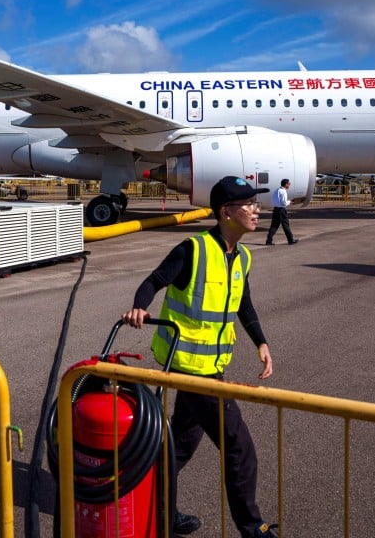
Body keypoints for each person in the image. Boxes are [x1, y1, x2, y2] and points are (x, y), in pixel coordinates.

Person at [122, 175, 279, 538]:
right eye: (249, 205)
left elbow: (244, 302)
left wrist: (261, 342)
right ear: (226, 212)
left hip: (211, 367)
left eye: (256, 204)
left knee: (179, 448)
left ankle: (158, 514)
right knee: (239, 448)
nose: (257, 210)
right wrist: (138, 308)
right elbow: (152, 281)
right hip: (190, 369)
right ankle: (253, 528)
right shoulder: (193, 249)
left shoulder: (241, 256)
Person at [265, 178, 297, 245]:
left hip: (275, 210)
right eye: (289, 183)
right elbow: (284, 203)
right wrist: (290, 202)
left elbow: (274, 200)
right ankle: (290, 240)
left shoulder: (277, 190)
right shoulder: (283, 191)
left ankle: (269, 241)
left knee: (274, 226)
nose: (289, 185)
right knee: (286, 225)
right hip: (281, 210)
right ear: (286, 184)